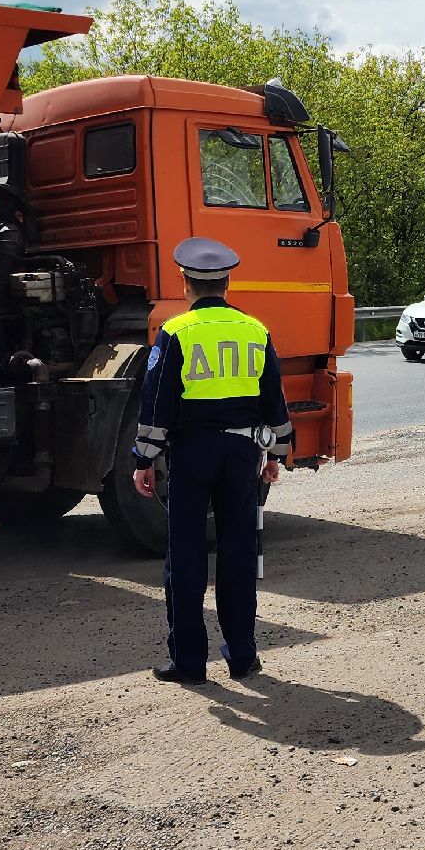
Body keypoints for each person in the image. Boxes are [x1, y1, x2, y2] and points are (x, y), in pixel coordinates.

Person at [132, 237, 293, 684]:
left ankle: (188, 662)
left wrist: (144, 458)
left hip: (193, 453)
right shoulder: (256, 330)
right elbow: (274, 401)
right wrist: (275, 454)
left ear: (186, 282)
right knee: (239, 554)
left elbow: (157, 402)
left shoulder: (177, 332)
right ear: (227, 283)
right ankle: (243, 656)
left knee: (185, 557)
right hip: (243, 454)